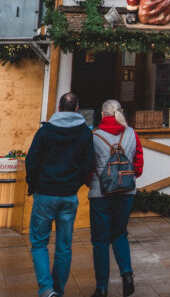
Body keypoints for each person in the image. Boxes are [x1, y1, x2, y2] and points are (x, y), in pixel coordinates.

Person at [25, 91, 95, 297]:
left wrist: (33, 185)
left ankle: (46, 289)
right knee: (64, 246)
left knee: (39, 243)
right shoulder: (84, 133)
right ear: (76, 109)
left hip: (45, 193)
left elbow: (31, 161)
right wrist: (75, 184)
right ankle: (58, 290)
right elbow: (88, 164)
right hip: (68, 195)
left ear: (58, 108)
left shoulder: (45, 132)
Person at [88, 99, 144, 297]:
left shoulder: (93, 136)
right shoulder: (131, 133)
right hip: (126, 193)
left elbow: (88, 166)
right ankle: (127, 275)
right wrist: (127, 178)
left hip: (100, 195)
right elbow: (138, 164)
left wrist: (92, 182)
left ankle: (102, 287)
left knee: (100, 241)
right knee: (120, 234)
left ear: (103, 114)